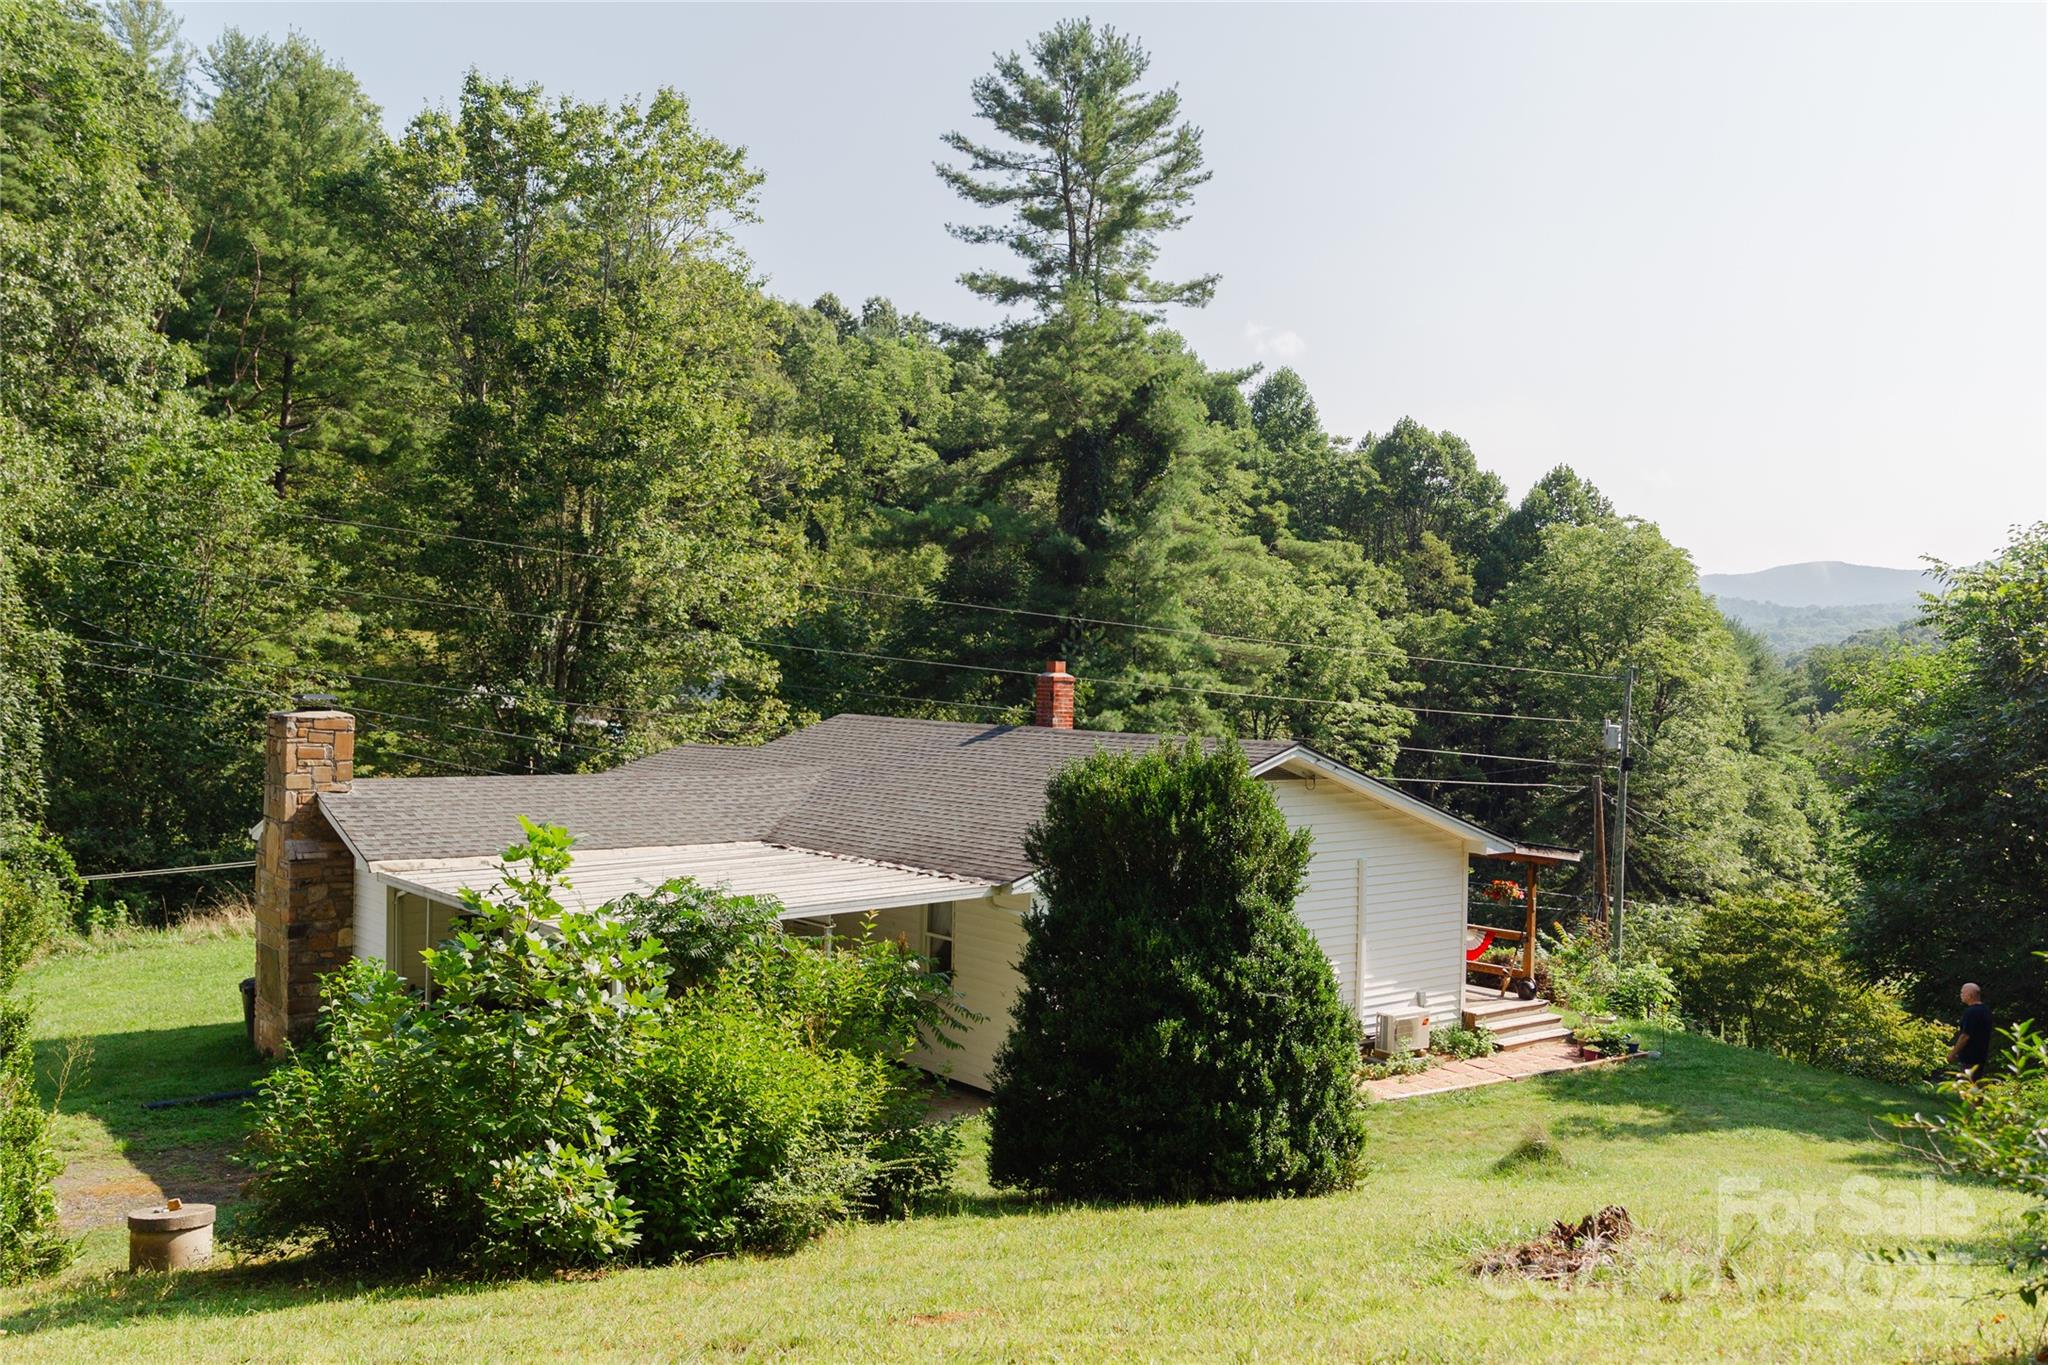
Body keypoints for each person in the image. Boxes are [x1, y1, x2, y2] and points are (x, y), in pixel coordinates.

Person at [1947, 982, 1992, 1080]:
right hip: (1981, 1056)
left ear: (1969, 995)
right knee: (1975, 1086)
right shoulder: (1985, 1010)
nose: (1961, 995)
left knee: (1966, 1088)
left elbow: (1965, 1036)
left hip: (1969, 1058)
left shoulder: (1971, 1012)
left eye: (1962, 992)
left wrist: (1953, 1053)